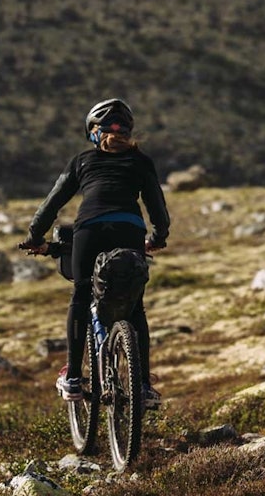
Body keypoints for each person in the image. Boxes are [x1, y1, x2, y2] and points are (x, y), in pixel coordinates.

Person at [19, 98, 171, 408]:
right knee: (135, 307)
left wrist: (35, 236)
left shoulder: (81, 161)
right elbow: (157, 207)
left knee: (81, 294)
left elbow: (52, 204)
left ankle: (74, 377)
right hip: (130, 229)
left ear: (93, 132)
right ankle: (142, 385)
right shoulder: (142, 161)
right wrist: (157, 237)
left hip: (90, 229)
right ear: (128, 132)